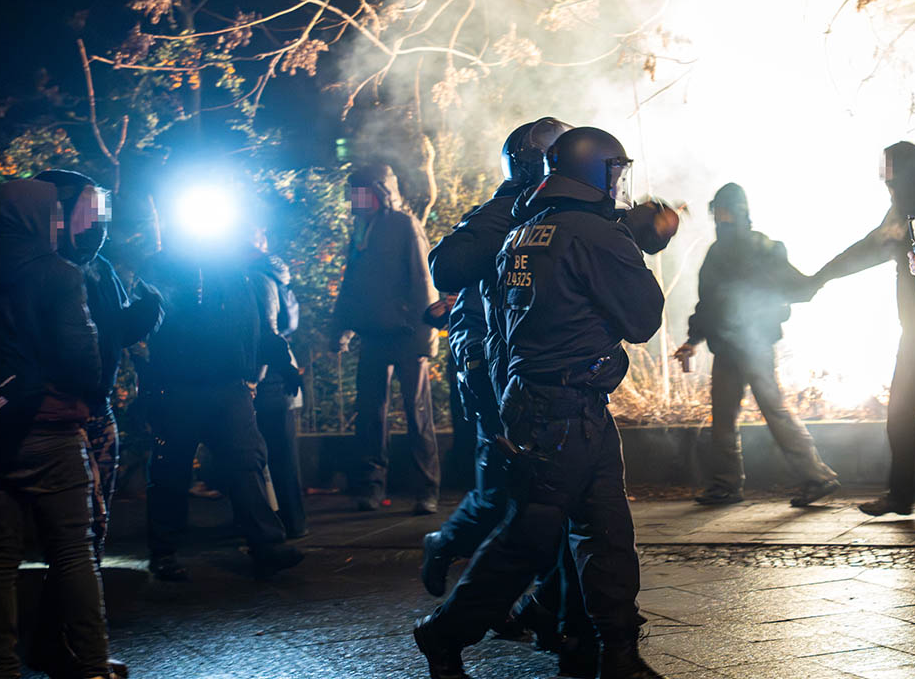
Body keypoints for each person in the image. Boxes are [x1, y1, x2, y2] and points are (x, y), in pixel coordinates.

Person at [414, 126, 669, 679]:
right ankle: (442, 634)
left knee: (605, 532)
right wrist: (633, 245)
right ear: (597, 173)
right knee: (531, 541)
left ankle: (619, 652)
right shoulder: (594, 235)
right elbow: (643, 318)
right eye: (615, 170)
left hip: (547, 403)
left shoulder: (524, 227)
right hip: (563, 410)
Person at [0, 180, 117, 679]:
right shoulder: (58, 275)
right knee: (73, 550)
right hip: (49, 427)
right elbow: (82, 363)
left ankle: (1, 668)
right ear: (38, 218)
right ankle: (92, 664)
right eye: (54, 215)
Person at [813, 144, 915, 516]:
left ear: (902, 171)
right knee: (900, 416)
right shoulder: (900, 213)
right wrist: (820, 278)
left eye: (886, 169)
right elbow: (869, 248)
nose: (881, 177)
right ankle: (901, 497)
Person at [140, 212, 302, 581]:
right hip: (179, 385)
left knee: (246, 461)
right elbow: (148, 324)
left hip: (228, 385)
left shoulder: (233, 272)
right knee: (171, 469)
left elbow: (255, 322)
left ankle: (266, 544)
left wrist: (281, 361)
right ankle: (163, 551)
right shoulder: (163, 268)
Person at [673, 183, 839, 508]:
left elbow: (792, 285)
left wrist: (818, 280)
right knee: (723, 419)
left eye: (723, 210)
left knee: (772, 411)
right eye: (716, 211)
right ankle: (727, 485)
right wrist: (693, 341)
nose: (719, 217)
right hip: (730, 348)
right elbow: (707, 303)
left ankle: (817, 477)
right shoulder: (724, 252)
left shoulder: (758, 247)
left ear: (737, 211)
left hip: (753, 345)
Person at [35, 171, 165, 556]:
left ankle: (80, 598)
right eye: (88, 211)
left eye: (100, 213)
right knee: (71, 525)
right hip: (53, 411)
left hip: (98, 407)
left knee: (97, 517)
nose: (97, 223)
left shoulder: (101, 268)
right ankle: (68, 606)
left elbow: (115, 331)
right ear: (59, 211)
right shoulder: (39, 268)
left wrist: (146, 312)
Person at [332, 164, 440, 514]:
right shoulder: (361, 229)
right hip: (373, 336)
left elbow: (423, 282)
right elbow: (352, 287)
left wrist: (426, 337)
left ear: (378, 191)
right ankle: (372, 487)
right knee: (370, 416)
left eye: (359, 190)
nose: (353, 197)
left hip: (408, 337)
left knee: (417, 414)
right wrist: (341, 329)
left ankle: (427, 490)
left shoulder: (404, 225)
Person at [247, 227, 307, 539]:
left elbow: (267, 332)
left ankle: (279, 526)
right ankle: (291, 522)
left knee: (265, 455)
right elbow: (287, 325)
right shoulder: (275, 275)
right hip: (277, 370)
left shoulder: (255, 277)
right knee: (281, 454)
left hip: (265, 374)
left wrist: (284, 369)